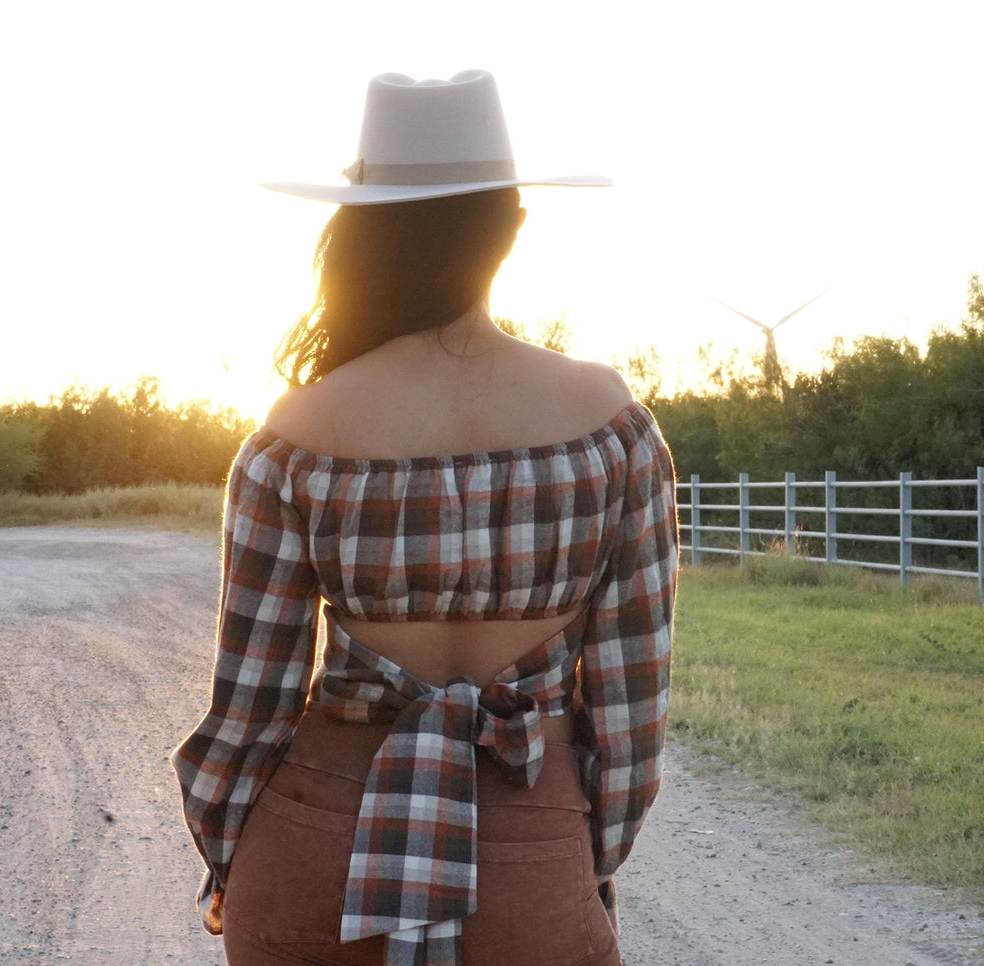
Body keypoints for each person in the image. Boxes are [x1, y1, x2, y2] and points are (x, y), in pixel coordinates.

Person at [173, 69, 679, 966]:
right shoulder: (614, 429)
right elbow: (629, 715)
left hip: (321, 848)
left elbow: (249, 707)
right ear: (512, 227)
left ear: (361, 227)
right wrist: (572, 865)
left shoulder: (291, 439)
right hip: (530, 848)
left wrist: (227, 857)